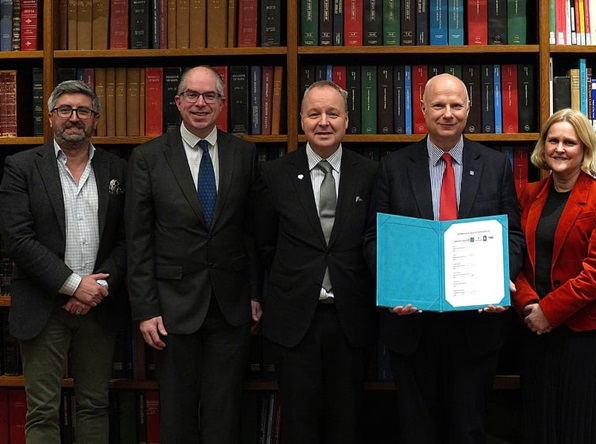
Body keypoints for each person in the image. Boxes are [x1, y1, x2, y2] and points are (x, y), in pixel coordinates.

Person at [364, 73, 525, 444]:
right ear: (422, 110)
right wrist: (393, 285)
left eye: (455, 105)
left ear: (469, 109)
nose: (447, 113)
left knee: (470, 429)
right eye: (438, 105)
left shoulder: (496, 165)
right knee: (418, 430)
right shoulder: (393, 166)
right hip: (411, 325)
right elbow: (375, 238)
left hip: (476, 325)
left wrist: (500, 279)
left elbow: (513, 235)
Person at [125, 66, 261, 443]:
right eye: (192, 95)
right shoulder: (148, 158)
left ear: (221, 103)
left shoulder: (244, 154)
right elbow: (138, 241)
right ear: (178, 101)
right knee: (177, 415)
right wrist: (146, 309)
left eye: (209, 96)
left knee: (224, 413)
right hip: (171, 308)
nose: (200, 103)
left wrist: (253, 292)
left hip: (230, 306)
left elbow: (250, 232)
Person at [0, 80, 127, 443]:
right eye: (65, 110)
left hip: (99, 308)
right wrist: (75, 285)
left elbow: (127, 240)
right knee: (42, 409)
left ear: (96, 119)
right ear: (51, 118)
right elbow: (17, 239)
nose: (74, 118)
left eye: (83, 110)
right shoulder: (21, 167)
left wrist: (97, 288)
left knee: (94, 404)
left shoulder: (117, 169)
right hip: (43, 307)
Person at [256, 80, 377, 443]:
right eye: (314, 114)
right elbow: (263, 244)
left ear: (347, 120)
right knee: (299, 423)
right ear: (301, 120)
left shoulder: (370, 173)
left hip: (351, 318)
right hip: (294, 320)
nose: (323, 122)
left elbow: (375, 241)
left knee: (347, 421)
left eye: (332, 113)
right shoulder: (274, 174)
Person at [513, 108, 596, 443]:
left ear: (585, 149)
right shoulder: (528, 195)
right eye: (553, 140)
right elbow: (514, 260)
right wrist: (529, 306)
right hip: (535, 331)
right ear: (543, 146)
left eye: (569, 142)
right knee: (540, 425)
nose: (559, 148)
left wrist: (550, 311)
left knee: (584, 427)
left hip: (585, 335)